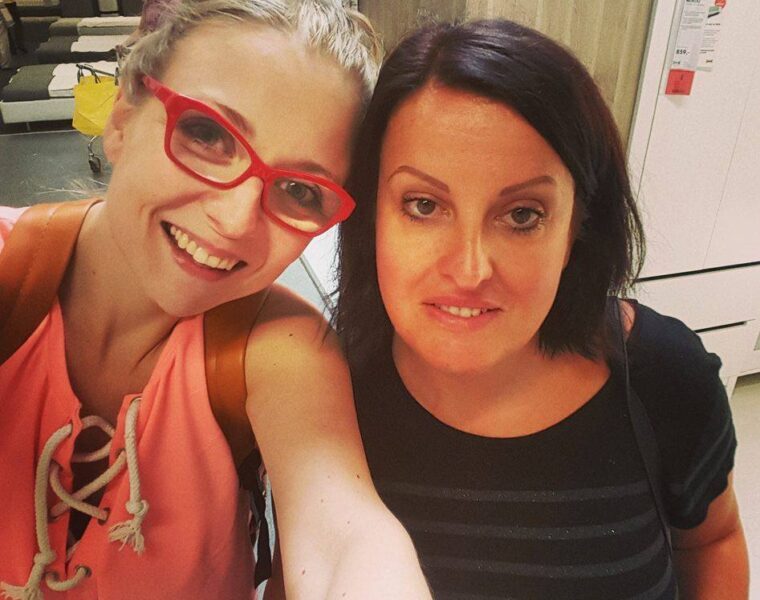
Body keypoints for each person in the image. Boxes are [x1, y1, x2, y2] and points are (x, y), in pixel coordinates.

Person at [0, 1, 432, 598]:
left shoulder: (281, 349)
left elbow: (344, 531)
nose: (234, 220)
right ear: (122, 118)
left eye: (300, 190)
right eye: (207, 134)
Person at [335, 19, 749, 599]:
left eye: (522, 215)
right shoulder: (328, 387)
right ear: (370, 214)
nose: (470, 270)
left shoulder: (662, 375)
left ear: (578, 226)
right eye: (423, 205)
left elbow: (713, 540)